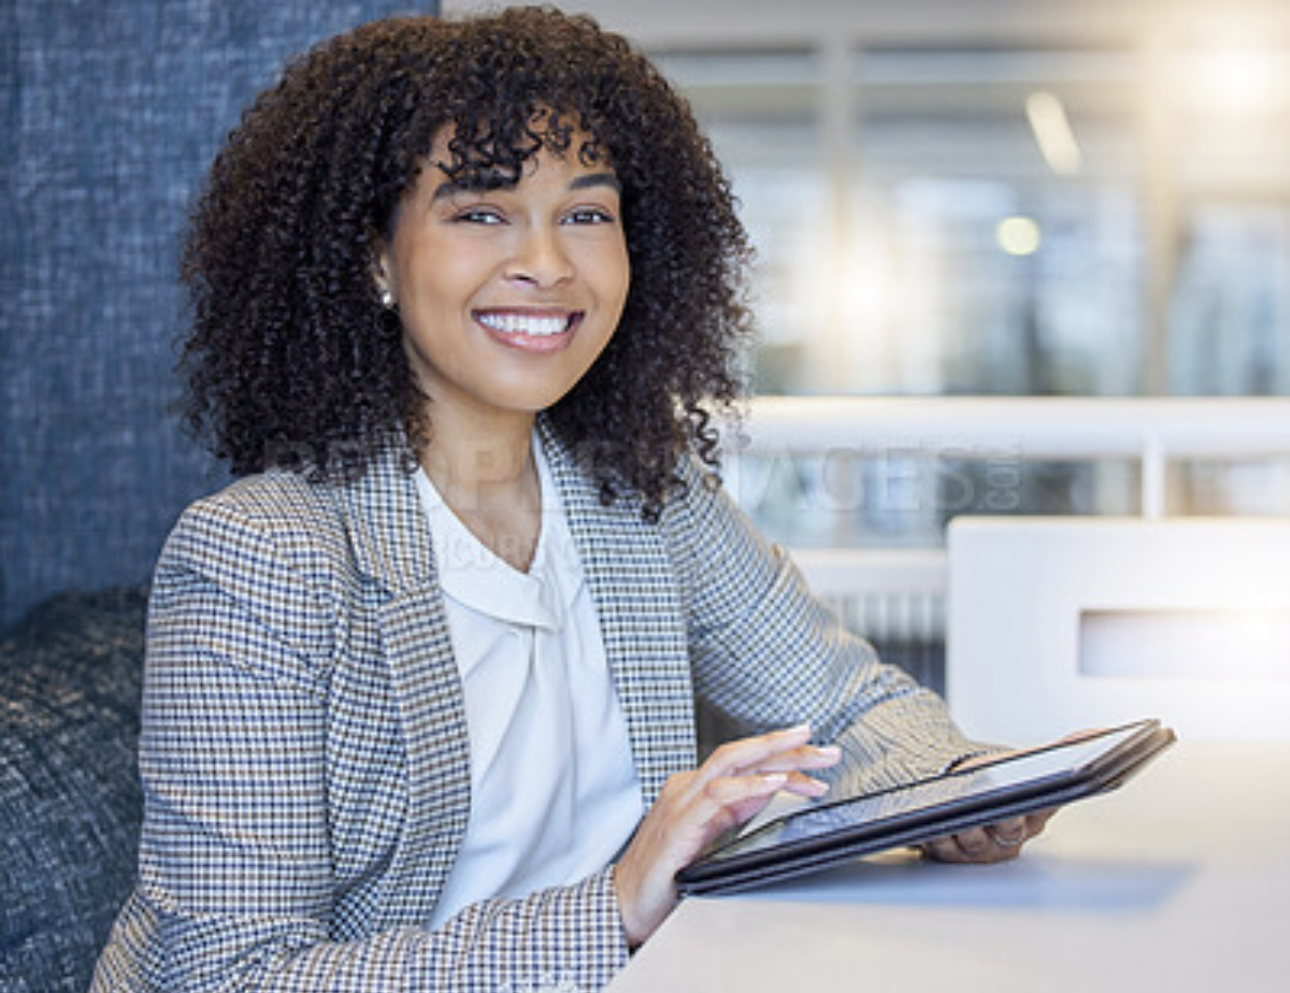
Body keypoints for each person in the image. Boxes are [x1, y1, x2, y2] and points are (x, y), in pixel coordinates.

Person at [92, 8, 1049, 992]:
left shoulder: (642, 493)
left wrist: (955, 790)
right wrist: (614, 909)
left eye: (586, 214)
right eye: (481, 212)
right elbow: (221, 976)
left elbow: (842, 707)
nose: (548, 266)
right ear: (374, 257)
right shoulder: (261, 555)